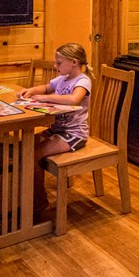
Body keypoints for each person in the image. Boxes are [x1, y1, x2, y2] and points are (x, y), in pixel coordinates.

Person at [16, 42, 93, 213]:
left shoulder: (83, 81)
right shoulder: (62, 79)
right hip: (57, 130)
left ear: (74, 62)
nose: (55, 66)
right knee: (24, 146)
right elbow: (45, 87)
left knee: (33, 154)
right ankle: (25, 194)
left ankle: (38, 202)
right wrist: (30, 91)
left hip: (73, 134)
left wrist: (45, 98)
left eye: (59, 63)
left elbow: (74, 99)